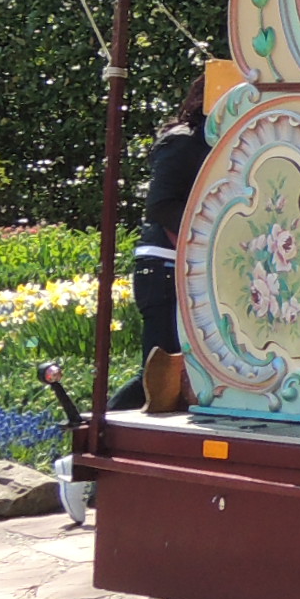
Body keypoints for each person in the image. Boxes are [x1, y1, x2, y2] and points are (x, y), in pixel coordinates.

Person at [118, 75, 214, 414]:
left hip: (183, 264)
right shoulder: (183, 141)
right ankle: (106, 424)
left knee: (175, 367)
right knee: (160, 367)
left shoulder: (205, 141)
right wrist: (205, 234)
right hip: (163, 265)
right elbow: (159, 205)